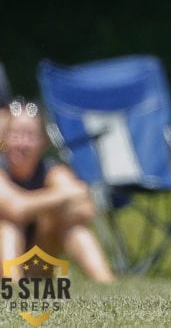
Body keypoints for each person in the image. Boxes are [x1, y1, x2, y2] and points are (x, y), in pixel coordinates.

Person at [0, 98, 115, 283]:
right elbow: (16, 208)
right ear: (3, 138)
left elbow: (85, 210)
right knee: (8, 227)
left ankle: (107, 283)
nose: (23, 143)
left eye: (30, 135)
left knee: (74, 228)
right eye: (16, 135)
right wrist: (63, 196)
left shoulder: (52, 171)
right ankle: (12, 285)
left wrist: (48, 211)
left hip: (38, 257)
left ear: (43, 141)